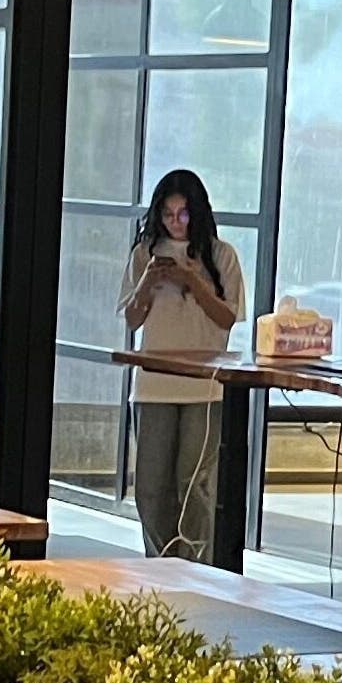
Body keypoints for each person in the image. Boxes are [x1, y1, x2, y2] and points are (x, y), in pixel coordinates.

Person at [118, 167, 246, 559]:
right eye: (168, 214)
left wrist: (195, 282)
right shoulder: (144, 254)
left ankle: (195, 567)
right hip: (154, 385)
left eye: (184, 214)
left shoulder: (222, 255)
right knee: (152, 488)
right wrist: (147, 284)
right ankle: (160, 564)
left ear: (198, 213)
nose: (176, 223)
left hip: (203, 387)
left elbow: (228, 318)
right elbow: (132, 318)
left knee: (195, 486)